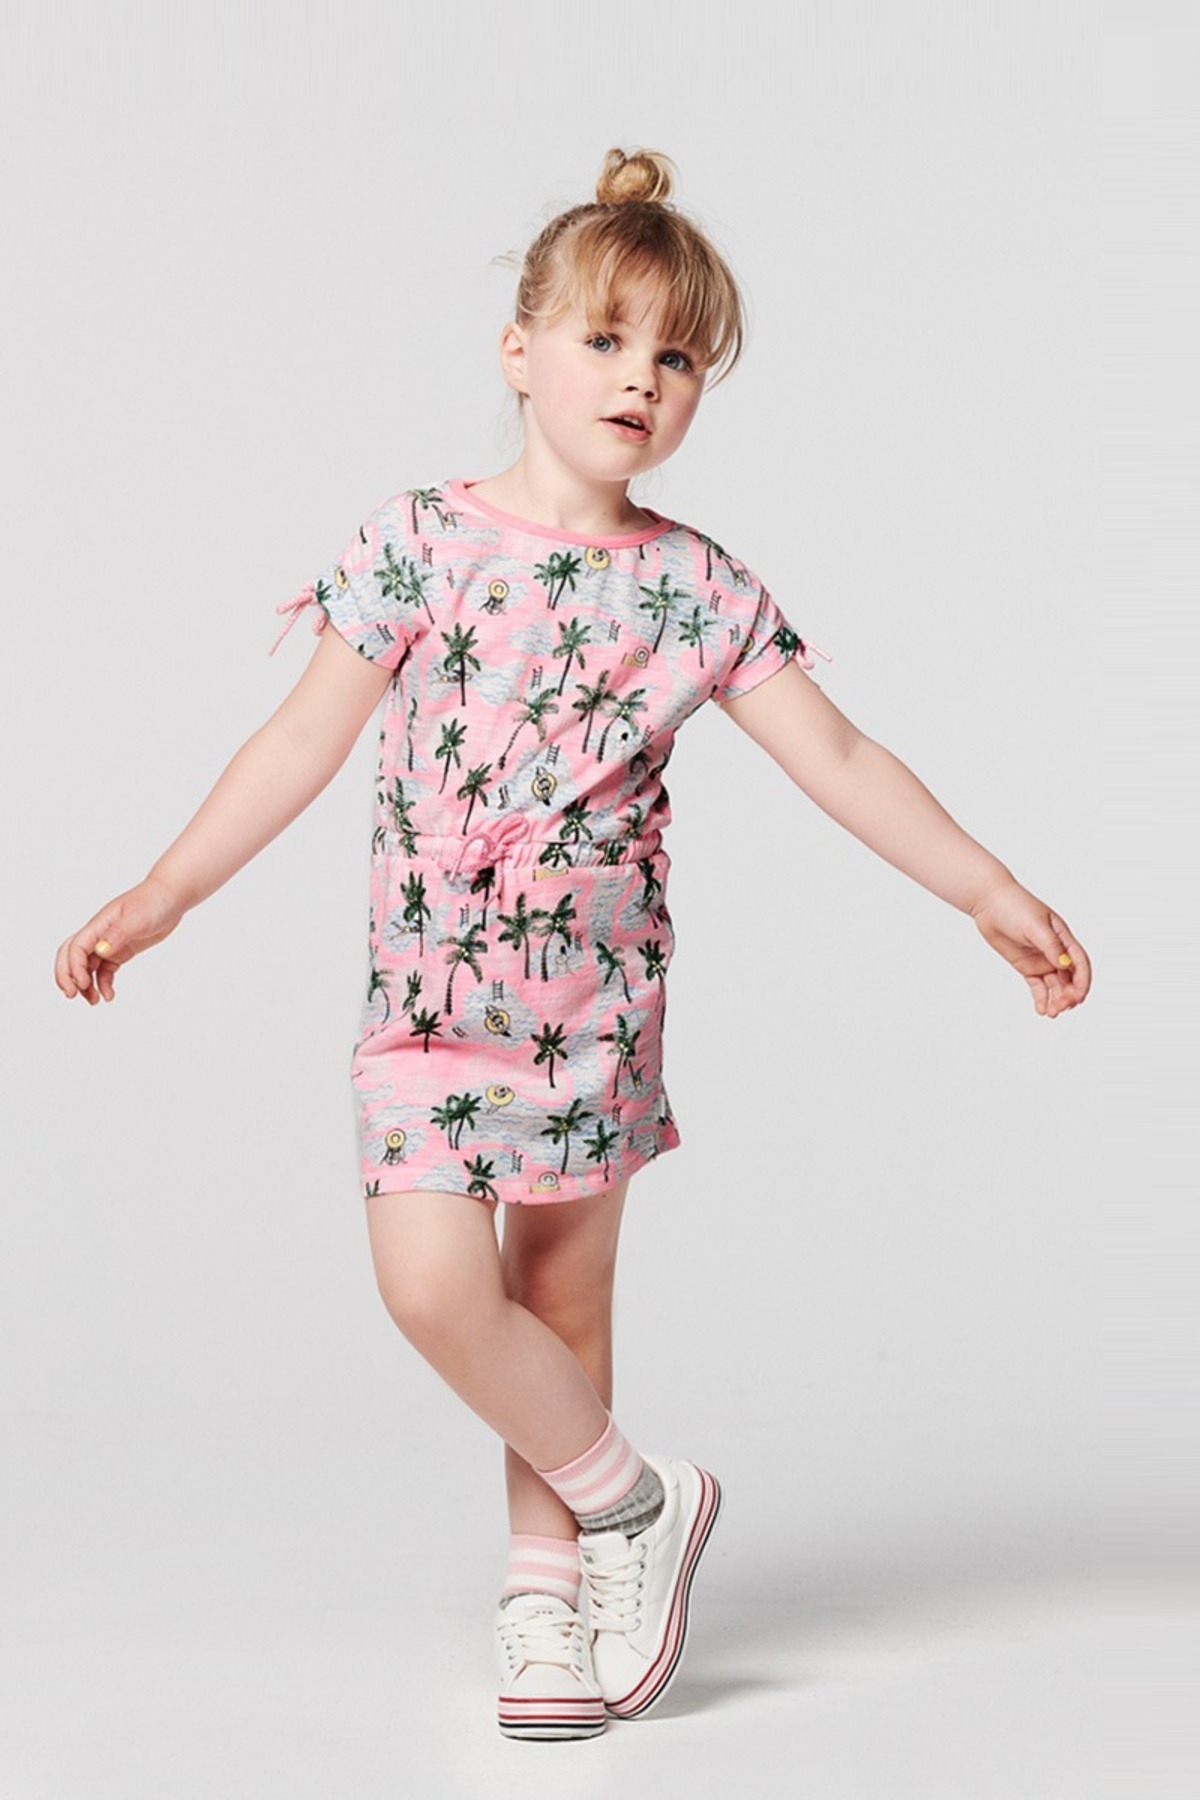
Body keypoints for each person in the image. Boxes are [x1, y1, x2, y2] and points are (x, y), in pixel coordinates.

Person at [53, 145, 1092, 1742]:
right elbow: (296, 742)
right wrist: (164, 890)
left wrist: (986, 889)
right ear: (518, 350)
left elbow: (841, 759)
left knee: (558, 1296)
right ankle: (638, 1502)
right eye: (606, 340)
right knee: (432, 1287)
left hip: (591, 1009)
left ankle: (546, 1597)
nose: (639, 381)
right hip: (426, 1011)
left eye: (677, 358)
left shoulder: (696, 589)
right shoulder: (414, 542)